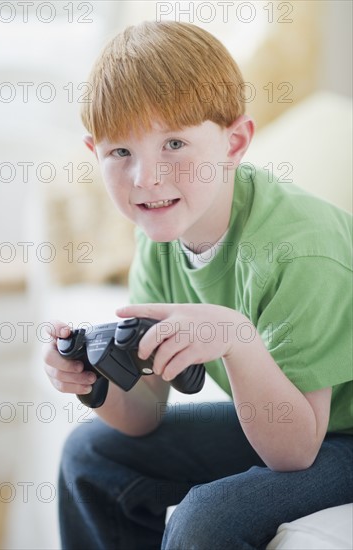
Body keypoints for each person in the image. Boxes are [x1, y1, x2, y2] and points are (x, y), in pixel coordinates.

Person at [43, 20, 353, 550]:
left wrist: (235, 337)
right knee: (91, 455)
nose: (146, 177)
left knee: (204, 519)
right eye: (122, 153)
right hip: (292, 425)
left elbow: (297, 450)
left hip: (332, 432)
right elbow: (144, 414)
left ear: (235, 142)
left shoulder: (301, 249)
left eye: (175, 144)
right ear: (95, 152)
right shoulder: (159, 232)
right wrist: (94, 384)